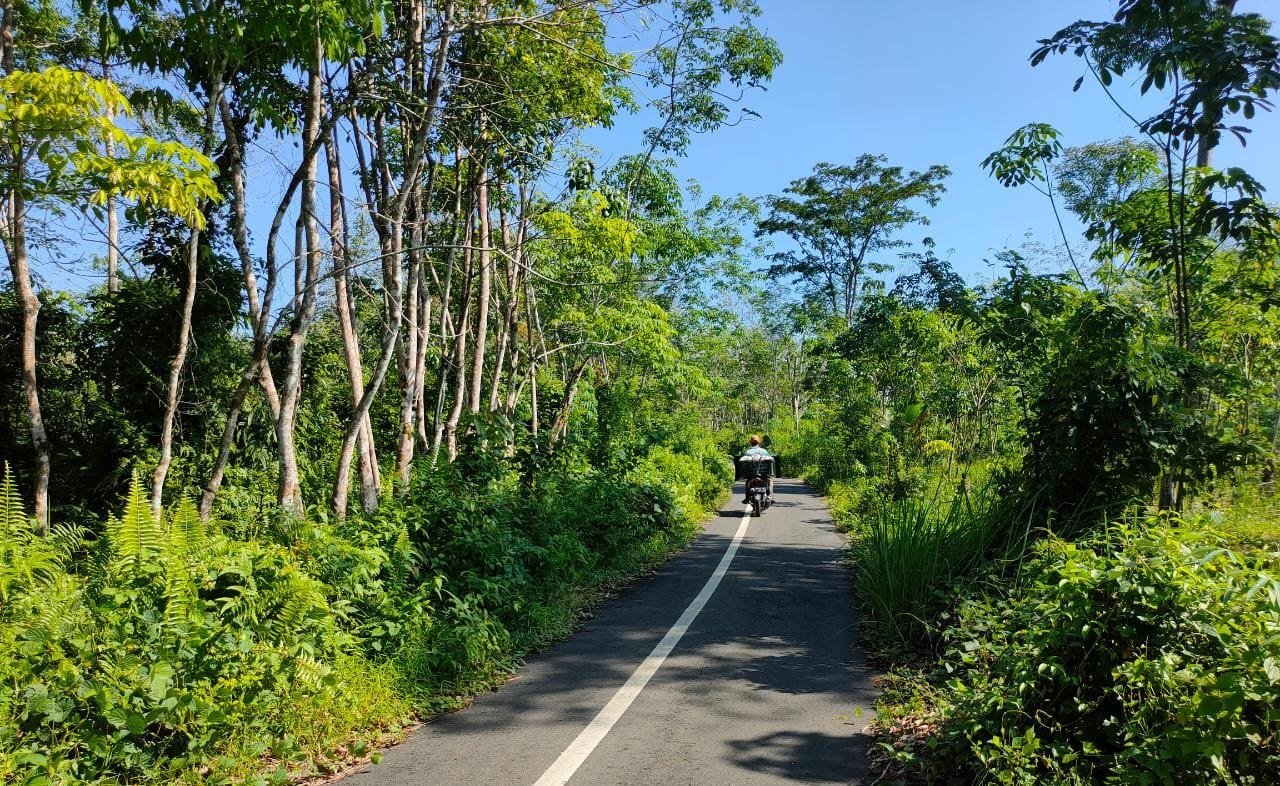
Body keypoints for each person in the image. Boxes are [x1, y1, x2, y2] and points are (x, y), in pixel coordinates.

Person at [740, 435, 774, 503]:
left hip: (751, 473)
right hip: (763, 473)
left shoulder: (747, 452)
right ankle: (770, 497)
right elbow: (770, 459)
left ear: (750, 443)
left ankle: (747, 498)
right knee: (770, 481)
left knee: (747, 482)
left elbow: (743, 461)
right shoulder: (764, 451)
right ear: (759, 443)